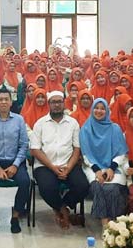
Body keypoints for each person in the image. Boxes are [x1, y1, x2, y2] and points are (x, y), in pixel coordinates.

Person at [29, 91, 90, 229]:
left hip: (69, 163)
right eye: (53, 102)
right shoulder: (40, 123)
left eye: (59, 102)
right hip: (45, 165)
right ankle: (63, 210)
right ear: (49, 104)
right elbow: (35, 150)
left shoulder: (73, 123)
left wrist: (68, 167)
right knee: (47, 187)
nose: (57, 105)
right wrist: (53, 167)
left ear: (64, 103)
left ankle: (62, 204)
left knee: (83, 186)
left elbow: (76, 149)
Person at [0, 88, 30, 235]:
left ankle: (15, 216)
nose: (3, 102)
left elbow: (24, 145)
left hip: (15, 161)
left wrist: (15, 165)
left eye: (6, 99)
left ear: (11, 102)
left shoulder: (19, 120)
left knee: (24, 181)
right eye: (0, 99)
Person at [79, 98, 130, 225]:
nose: (99, 111)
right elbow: (85, 154)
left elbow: (121, 152)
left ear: (107, 111)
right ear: (92, 109)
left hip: (114, 166)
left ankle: (115, 222)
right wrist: (96, 170)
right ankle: (105, 223)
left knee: (113, 188)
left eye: (102, 108)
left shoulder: (115, 128)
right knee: (98, 187)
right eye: (96, 108)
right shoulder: (85, 129)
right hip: (92, 166)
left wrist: (112, 168)